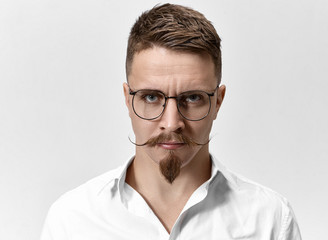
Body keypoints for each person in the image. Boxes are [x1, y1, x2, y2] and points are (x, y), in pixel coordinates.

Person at [41, 3, 302, 239]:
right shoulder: (72, 221)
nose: (171, 122)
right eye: (152, 97)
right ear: (127, 99)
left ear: (218, 102)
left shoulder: (270, 220)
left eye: (193, 98)